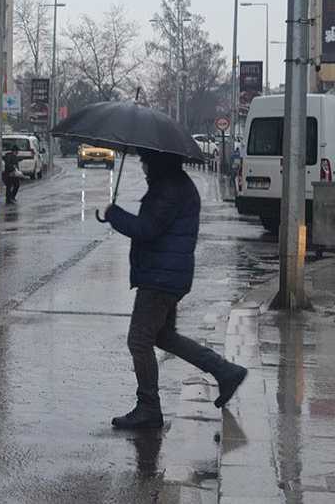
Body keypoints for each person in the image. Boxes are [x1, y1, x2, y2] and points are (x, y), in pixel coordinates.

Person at [103, 150, 248, 429]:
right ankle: (225, 371)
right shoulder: (173, 184)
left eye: (146, 160)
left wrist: (114, 215)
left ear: (158, 161)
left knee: (139, 340)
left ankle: (148, 407)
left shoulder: (168, 189)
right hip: (166, 274)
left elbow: (147, 229)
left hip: (160, 278)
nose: (143, 166)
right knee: (164, 336)